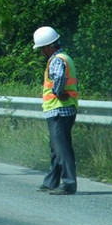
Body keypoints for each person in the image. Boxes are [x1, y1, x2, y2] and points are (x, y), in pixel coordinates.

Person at [34, 26, 78, 195]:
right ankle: (52, 181)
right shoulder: (64, 57)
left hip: (60, 110)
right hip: (59, 110)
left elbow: (59, 77)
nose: (41, 52)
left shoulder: (57, 60)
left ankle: (68, 184)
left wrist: (58, 92)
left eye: (41, 49)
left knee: (62, 148)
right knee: (56, 147)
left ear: (48, 46)